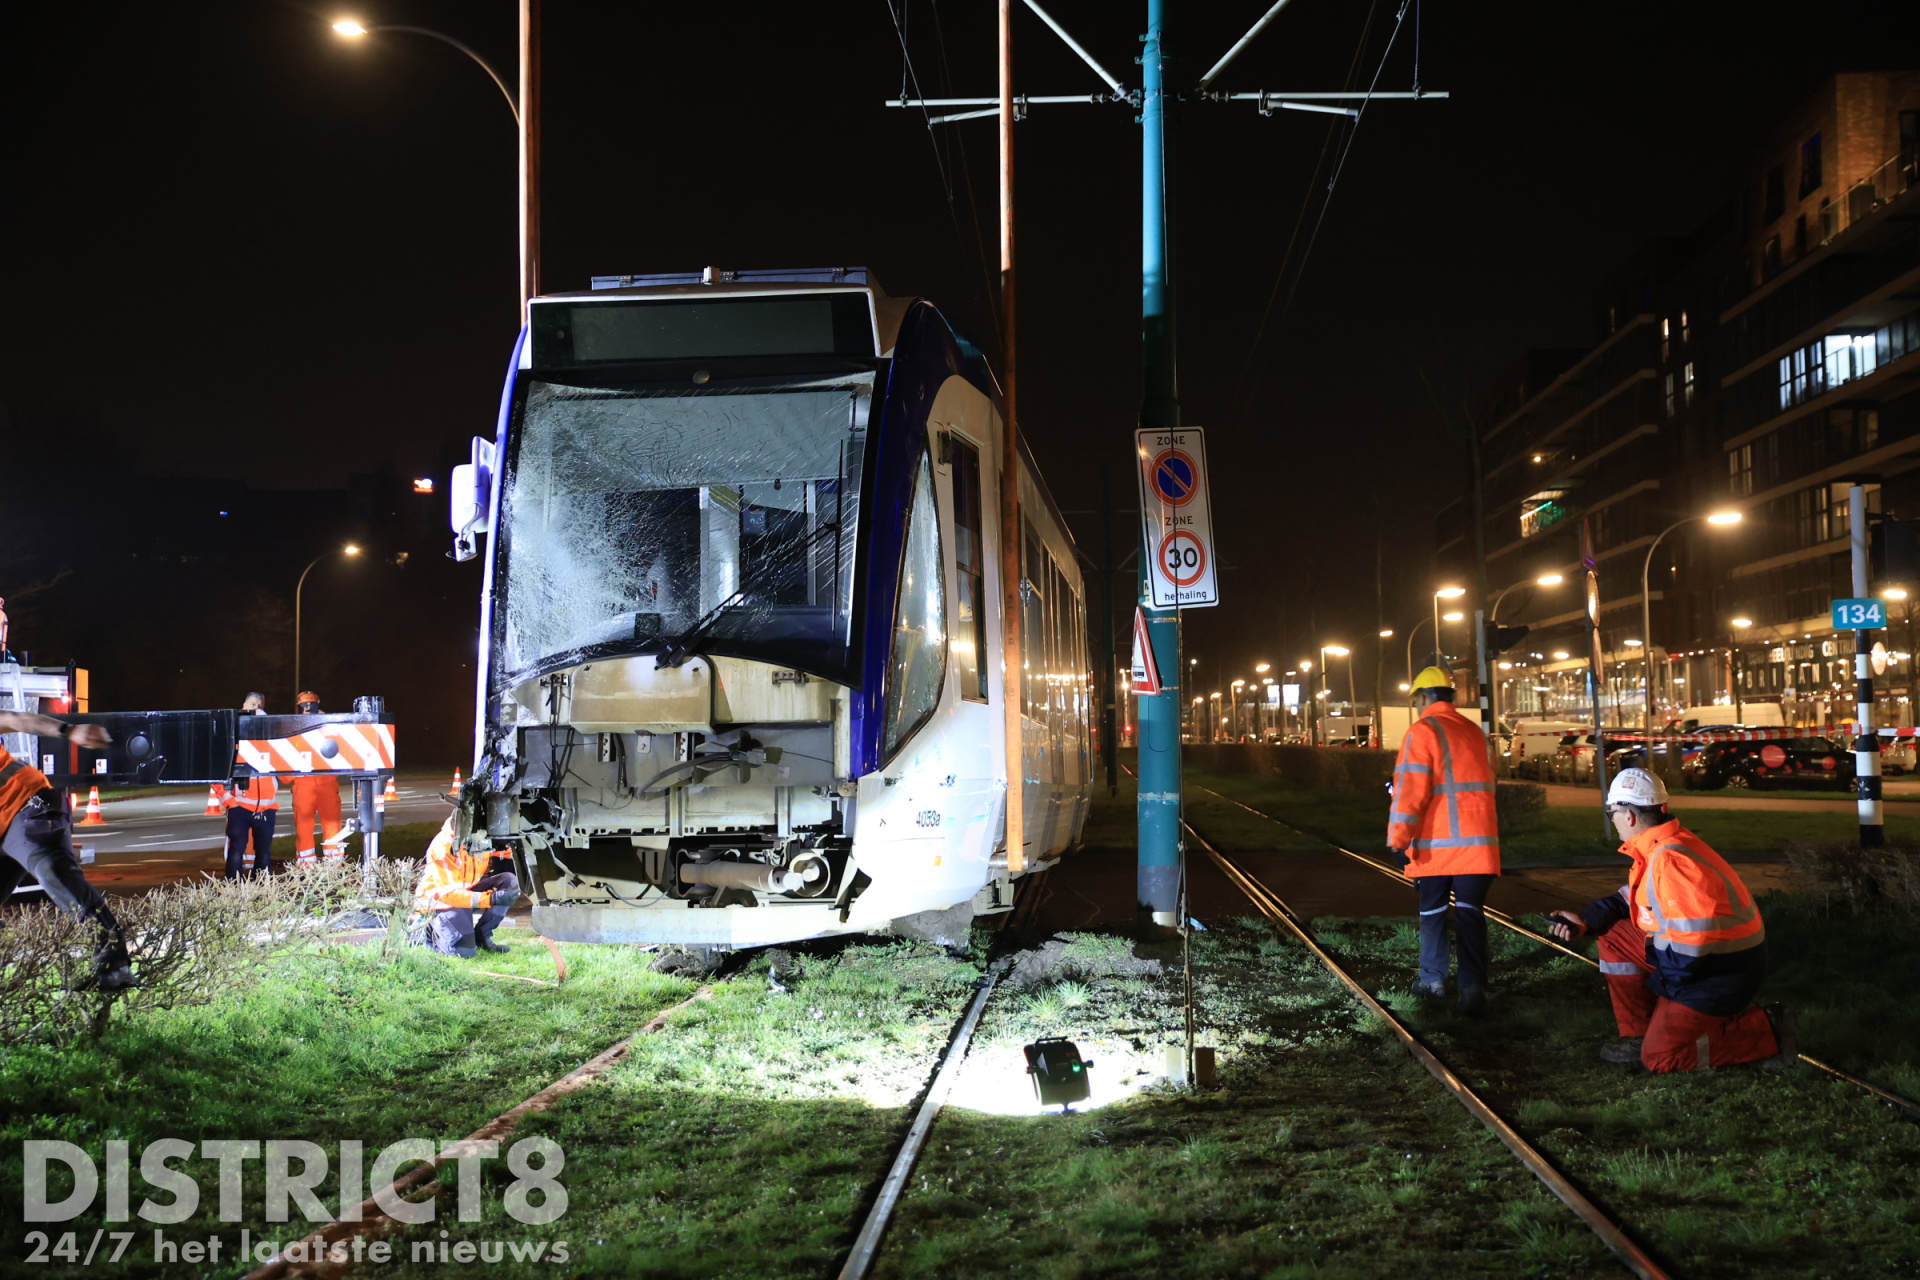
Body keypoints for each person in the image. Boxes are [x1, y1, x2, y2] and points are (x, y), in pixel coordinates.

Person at [1547, 767, 1795, 1073]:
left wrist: (1662, 987)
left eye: (1612, 812)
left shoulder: (1670, 860)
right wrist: (1586, 920)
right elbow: (1633, 899)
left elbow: (1691, 948)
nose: (1611, 819)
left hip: (1717, 974)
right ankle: (1641, 1035)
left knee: (1660, 1058)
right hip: (1712, 961)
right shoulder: (1664, 845)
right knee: (1612, 934)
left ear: (1630, 816)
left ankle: (1768, 1029)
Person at [1387, 665, 1500, 1015]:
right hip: (1479, 846)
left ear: (1424, 697)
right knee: (1470, 915)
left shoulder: (1422, 732)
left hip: (1437, 847)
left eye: (1417, 700)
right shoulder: (1475, 733)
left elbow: (1409, 793)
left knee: (1433, 913)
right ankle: (1473, 988)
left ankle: (1433, 983)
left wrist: (1398, 840)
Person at [0, 711, 137, 988]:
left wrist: (68, 730)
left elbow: (15, 719)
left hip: (28, 804)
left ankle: (114, 963)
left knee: (52, 869)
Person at [413, 814, 519, 958]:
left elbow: (507, 851)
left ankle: (482, 937)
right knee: (463, 952)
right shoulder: (444, 846)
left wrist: (508, 842)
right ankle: (424, 933)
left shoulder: (479, 838)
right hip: (438, 903)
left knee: (508, 881)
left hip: (462, 895)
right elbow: (447, 894)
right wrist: (490, 899)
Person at [288, 691, 344, 867]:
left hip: (313, 783)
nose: (306, 709)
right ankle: (330, 864)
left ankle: (312, 864)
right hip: (318, 783)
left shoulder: (298, 727)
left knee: (320, 825)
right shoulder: (329, 726)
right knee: (326, 825)